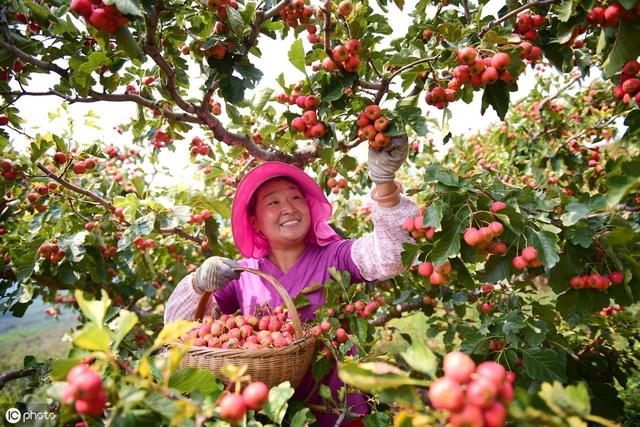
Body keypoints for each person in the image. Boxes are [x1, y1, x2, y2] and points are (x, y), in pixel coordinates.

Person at [164, 136, 418, 425]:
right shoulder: (240, 275)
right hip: (268, 414)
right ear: (256, 222)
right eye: (273, 202)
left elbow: (391, 255)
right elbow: (181, 331)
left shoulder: (336, 255)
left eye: (296, 197)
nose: (288, 207)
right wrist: (198, 284)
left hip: (336, 410)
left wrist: (384, 185)